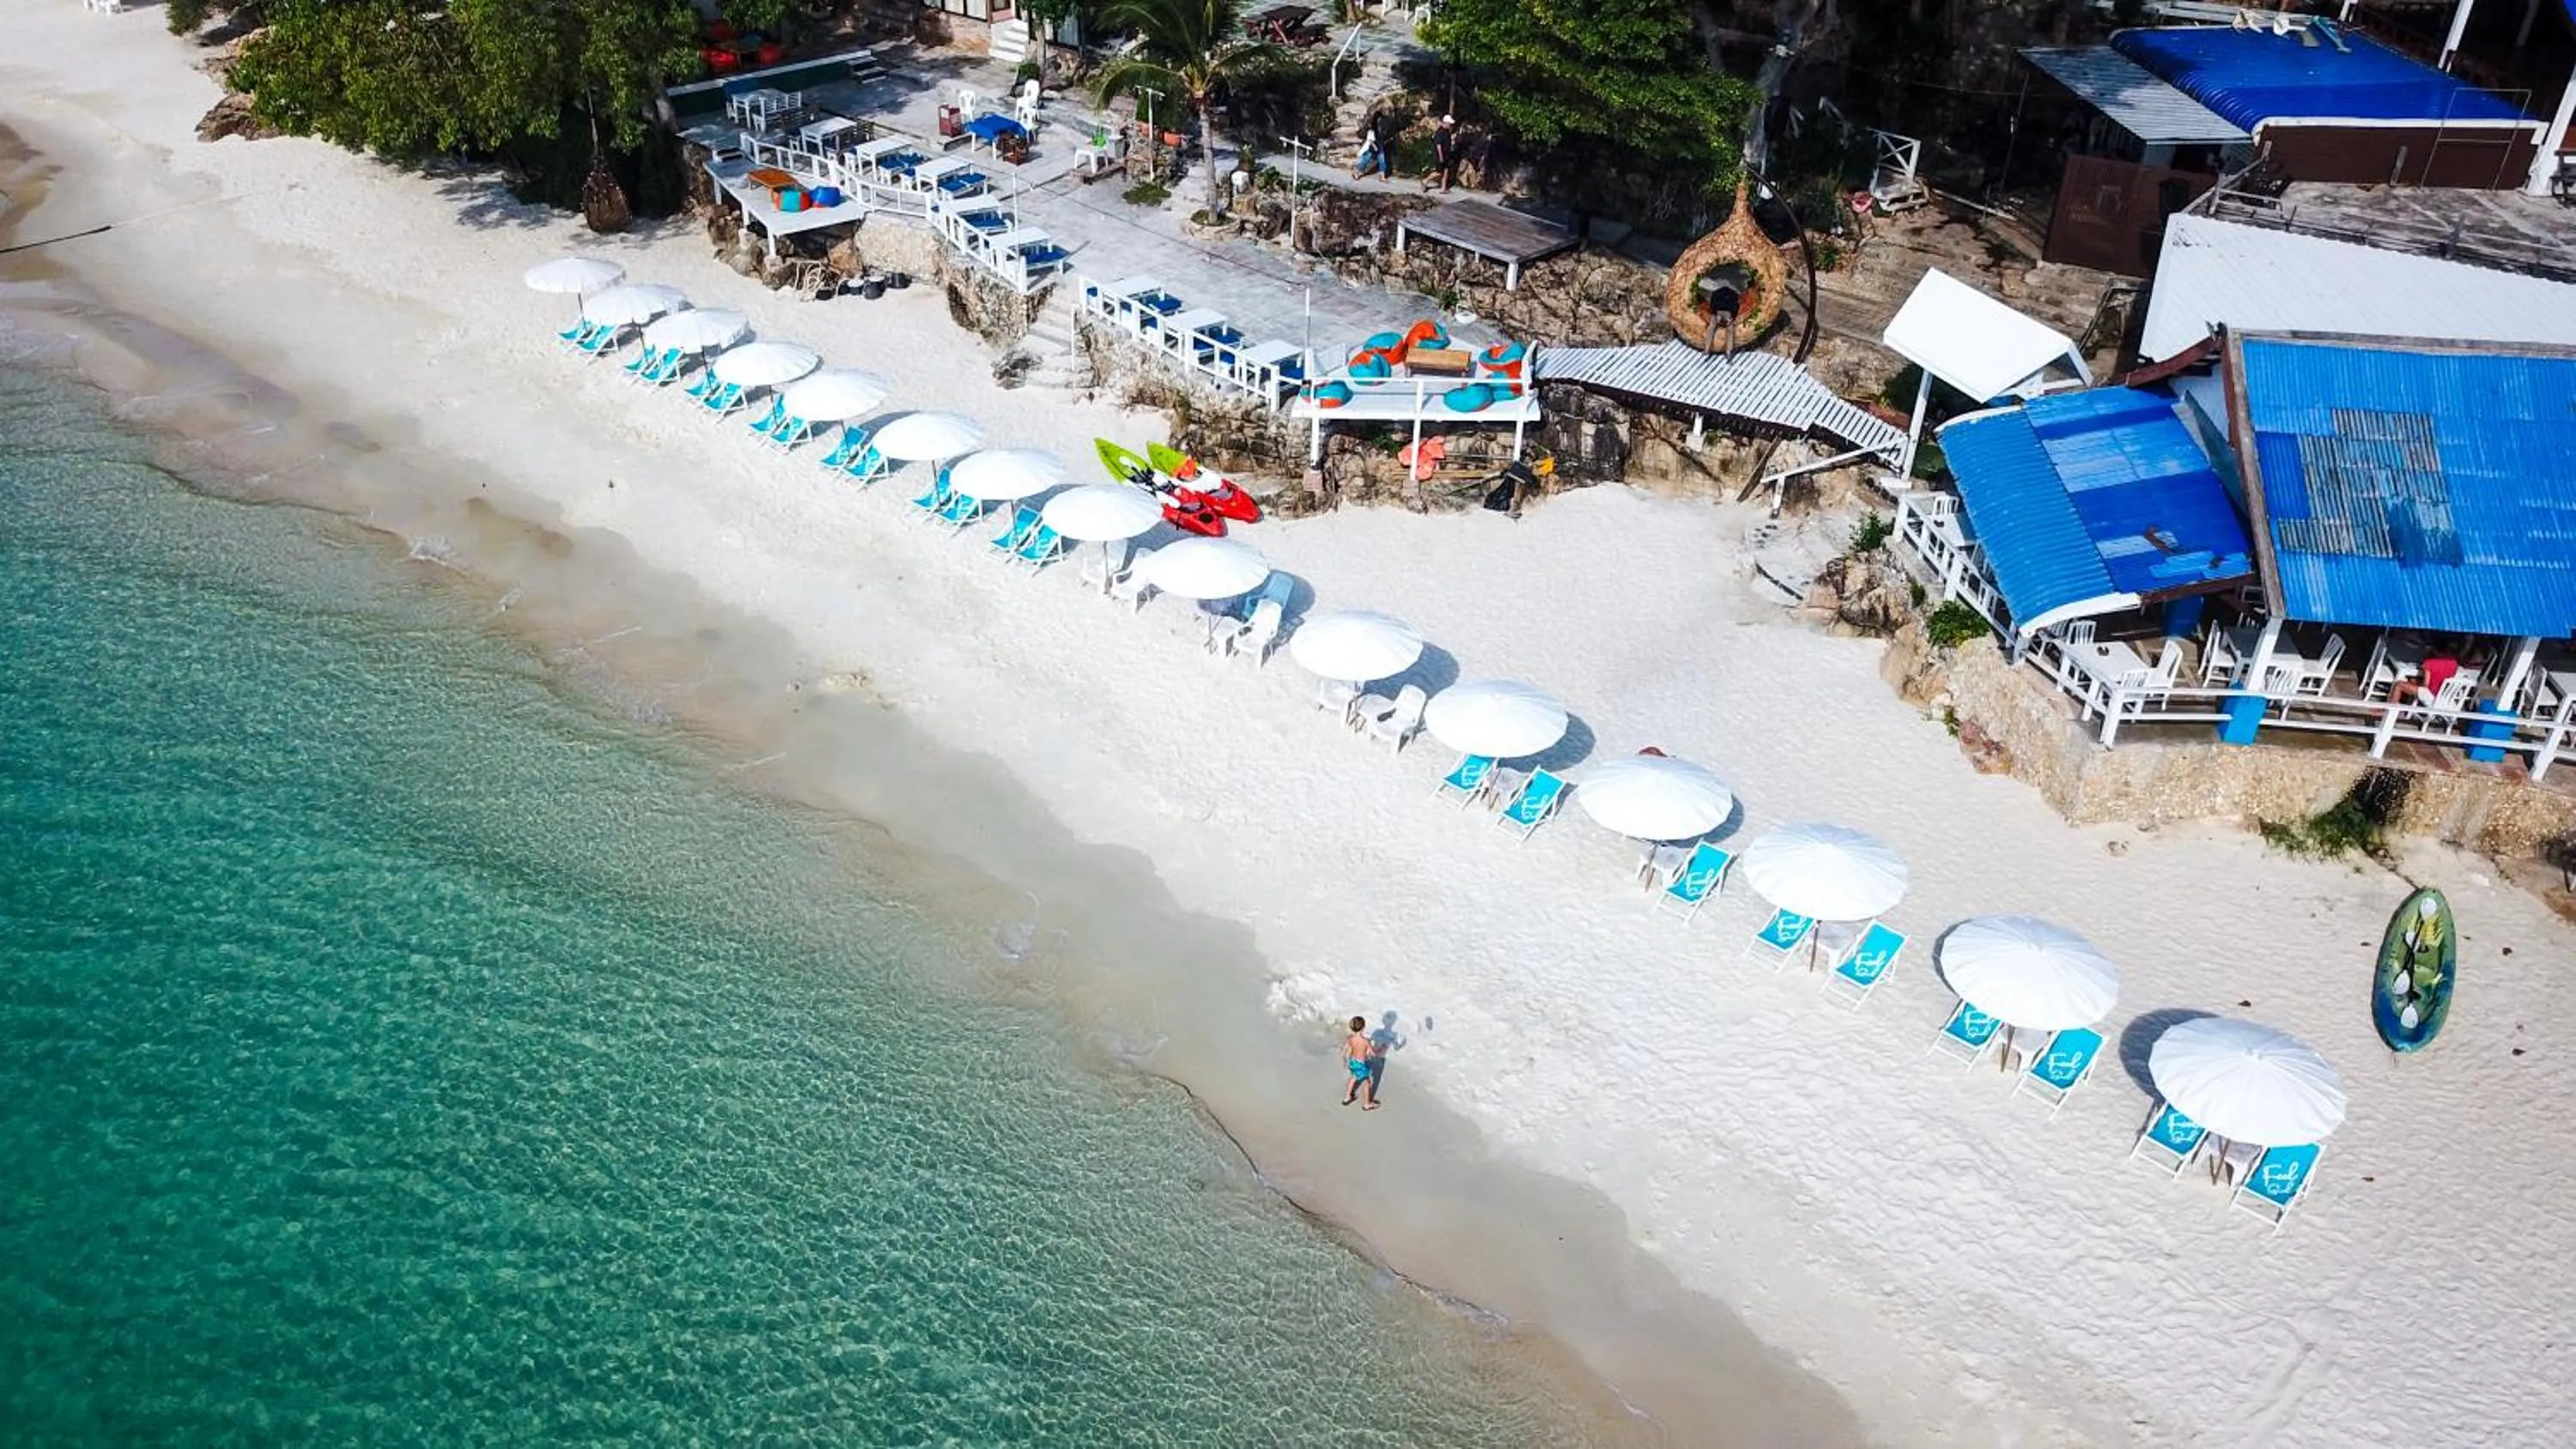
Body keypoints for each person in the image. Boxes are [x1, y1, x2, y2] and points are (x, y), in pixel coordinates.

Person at [1341, 1016, 1376, 1108]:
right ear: (1363, 1027)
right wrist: (1380, 1049)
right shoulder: (1365, 1041)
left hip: (1352, 1062)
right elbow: (1373, 1054)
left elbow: (1344, 1052)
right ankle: (1366, 1104)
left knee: (1353, 1078)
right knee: (1366, 1082)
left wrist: (1345, 1061)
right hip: (1361, 1065)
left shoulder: (1350, 1039)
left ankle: (1347, 1098)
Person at [1352, 112, 1394, 180]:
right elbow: (1370, 139)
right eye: (1379, 118)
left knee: (1382, 161)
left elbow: (1382, 138)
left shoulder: (1381, 127)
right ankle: (1356, 172)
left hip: (1379, 146)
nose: (1380, 120)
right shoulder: (1372, 127)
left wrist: (1388, 140)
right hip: (1373, 146)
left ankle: (1382, 176)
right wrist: (1374, 146)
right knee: (1365, 160)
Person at [1426, 115, 1459, 193]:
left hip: (1447, 155)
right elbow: (1438, 145)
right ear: (1445, 123)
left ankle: (1443, 188)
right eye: (1449, 124)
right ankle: (1425, 181)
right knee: (1439, 172)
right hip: (1440, 155)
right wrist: (1441, 156)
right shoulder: (1440, 132)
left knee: (1446, 172)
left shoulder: (1447, 132)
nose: (1450, 125)